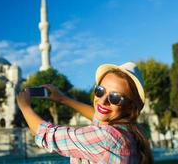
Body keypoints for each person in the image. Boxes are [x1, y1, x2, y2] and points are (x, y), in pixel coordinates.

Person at [17, 62, 153, 163]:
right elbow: (97, 115)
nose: (103, 101)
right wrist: (63, 99)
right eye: (100, 91)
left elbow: (46, 134)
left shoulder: (106, 138)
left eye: (115, 98)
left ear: (130, 107)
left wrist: (25, 106)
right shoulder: (128, 131)